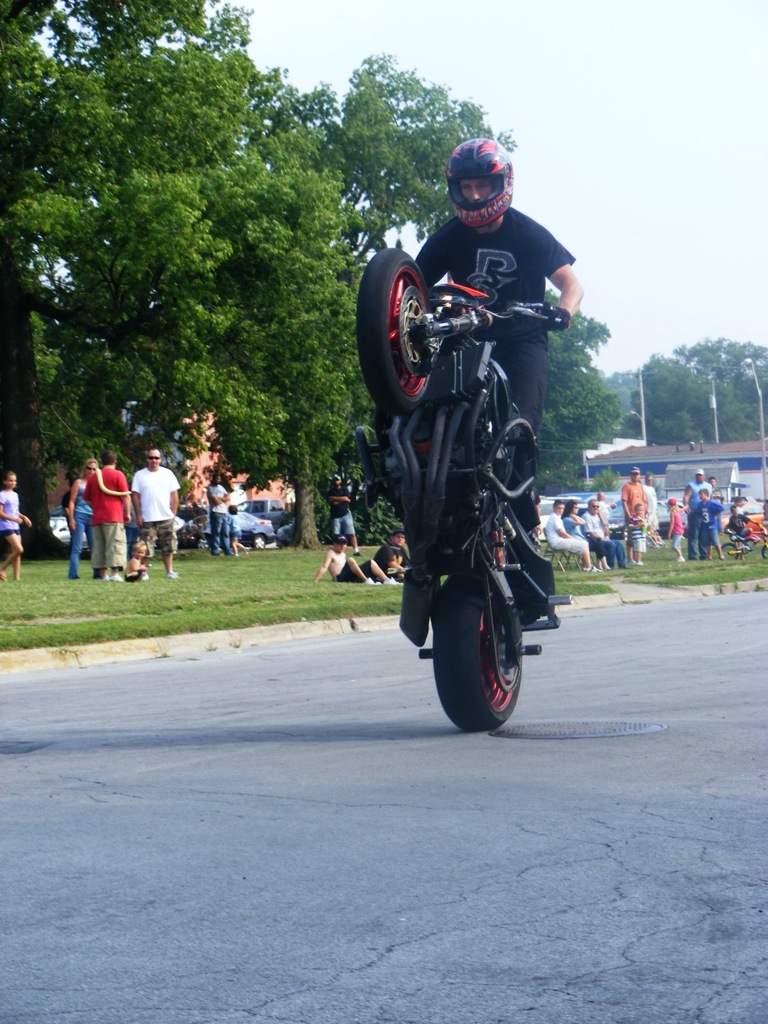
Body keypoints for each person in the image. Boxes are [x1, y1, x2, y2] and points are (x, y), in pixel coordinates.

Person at [415, 138, 584, 434]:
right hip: (465, 336)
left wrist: (563, 312)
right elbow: (412, 286)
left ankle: (519, 472)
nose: (474, 195)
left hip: (522, 339)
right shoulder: (448, 237)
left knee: (520, 428)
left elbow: (572, 285)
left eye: (482, 185)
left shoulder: (528, 233)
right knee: (422, 408)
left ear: (501, 184)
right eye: (466, 187)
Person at [131, 448, 181, 579]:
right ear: (147, 459)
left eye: (156, 458)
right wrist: (138, 514)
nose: (154, 460)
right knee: (145, 549)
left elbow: (174, 494)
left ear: (161, 459)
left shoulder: (168, 474)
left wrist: (173, 512)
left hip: (166, 517)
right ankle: (144, 572)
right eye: (151, 458)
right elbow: (135, 496)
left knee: (168, 546)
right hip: (147, 518)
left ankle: (169, 572)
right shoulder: (139, 475)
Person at [82, 449, 131, 581]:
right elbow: (126, 496)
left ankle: (103, 575)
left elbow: (86, 498)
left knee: (100, 546)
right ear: (115, 461)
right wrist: (127, 513)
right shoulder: (118, 475)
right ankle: (114, 574)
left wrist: (96, 506)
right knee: (114, 544)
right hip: (114, 516)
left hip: (97, 517)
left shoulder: (93, 477)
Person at [543, 499, 597, 572]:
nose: (561, 510)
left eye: (562, 508)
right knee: (584, 543)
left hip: (559, 541)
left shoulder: (557, 517)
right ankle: (588, 567)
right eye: (559, 508)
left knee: (583, 543)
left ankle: (587, 566)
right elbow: (561, 533)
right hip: (556, 542)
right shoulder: (554, 517)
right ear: (554, 508)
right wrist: (573, 539)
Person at [66, 459, 99, 580]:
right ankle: (73, 574)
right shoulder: (78, 483)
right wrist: (71, 519)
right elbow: (71, 501)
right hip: (79, 515)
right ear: (84, 469)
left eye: (94, 469)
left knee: (94, 547)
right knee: (77, 547)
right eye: (89, 468)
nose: (91, 471)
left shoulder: (97, 483)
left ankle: (97, 573)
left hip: (92, 516)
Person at [314, 535, 390, 583]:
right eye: (340, 544)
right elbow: (324, 567)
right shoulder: (331, 553)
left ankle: (387, 580)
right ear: (334, 544)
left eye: (344, 544)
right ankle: (366, 580)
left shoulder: (343, 554)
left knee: (371, 562)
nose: (342, 546)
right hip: (340, 578)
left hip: (348, 575)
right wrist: (316, 580)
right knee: (351, 560)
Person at [0, 470, 32, 581]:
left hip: (15, 526)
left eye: (14, 481)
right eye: (10, 480)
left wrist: (24, 517)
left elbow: (14, 511)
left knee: (16, 553)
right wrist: (14, 519)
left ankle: (16, 579)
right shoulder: (2, 495)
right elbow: (1, 513)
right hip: (6, 526)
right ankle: (2, 569)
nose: (13, 482)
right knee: (19, 549)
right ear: (4, 481)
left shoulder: (15, 495)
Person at [562, 499, 609, 571]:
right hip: (576, 542)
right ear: (570, 509)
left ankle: (600, 565)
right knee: (599, 543)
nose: (577, 509)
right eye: (575, 508)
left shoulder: (573, 518)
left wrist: (573, 515)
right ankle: (603, 565)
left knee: (598, 542)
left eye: (577, 507)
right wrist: (572, 515)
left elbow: (583, 521)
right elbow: (582, 522)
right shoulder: (567, 520)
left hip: (583, 540)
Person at [582, 498, 627, 569]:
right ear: (589, 507)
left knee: (618, 543)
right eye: (594, 506)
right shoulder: (586, 516)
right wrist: (602, 539)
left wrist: (600, 515)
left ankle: (622, 564)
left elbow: (605, 526)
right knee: (610, 544)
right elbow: (590, 532)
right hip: (593, 540)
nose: (596, 508)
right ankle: (609, 566)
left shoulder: (597, 516)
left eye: (597, 506)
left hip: (602, 538)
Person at [326, 473, 359, 554]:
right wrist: (342, 499)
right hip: (335, 516)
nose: (336, 481)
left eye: (337, 480)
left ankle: (356, 550)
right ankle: (336, 551)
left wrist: (336, 499)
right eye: (334, 480)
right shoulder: (331, 491)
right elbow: (331, 501)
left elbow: (347, 499)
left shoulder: (344, 489)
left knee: (351, 533)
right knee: (336, 535)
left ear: (340, 481)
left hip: (346, 515)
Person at [682, 468, 710, 560]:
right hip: (694, 512)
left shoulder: (708, 486)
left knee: (703, 534)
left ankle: (703, 554)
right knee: (693, 535)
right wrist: (686, 505)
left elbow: (711, 498)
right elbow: (686, 496)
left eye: (700, 475)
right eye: (697, 475)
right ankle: (692, 554)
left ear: (704, 476)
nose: (699, 477)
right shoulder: (691, 485)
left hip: (705, 512)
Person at [621, 468, 647, 559]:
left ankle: (638, 558)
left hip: (641, 516)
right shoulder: (627, 486)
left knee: (640, 537)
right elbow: (624, 501)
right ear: (631, 475)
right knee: (631, 538)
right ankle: (630, 558)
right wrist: (628, 515)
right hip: (632, 515)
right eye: (633, 474)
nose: (635, 476)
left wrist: (645, 511)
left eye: (637, 474)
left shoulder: (640, 486)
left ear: (639, 475)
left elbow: (643, 500)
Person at [207, 473, 232, 556]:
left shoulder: (221, 488)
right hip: (216, 512)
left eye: (219, 479)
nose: (218, 480)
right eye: (216, 478)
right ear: (213, 479)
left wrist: (221, 498)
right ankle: (215, 550)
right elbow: (216, 502)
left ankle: (227, 550)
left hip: (224, 512)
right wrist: (223, 499)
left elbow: (228, 497)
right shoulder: (210, 488)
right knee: (216, 532)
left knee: (225, 532)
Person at [696, 487, 725, 560]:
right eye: (699, 495)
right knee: (707, 542)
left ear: (706, 495)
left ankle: (721, 555)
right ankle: (709, 556)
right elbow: (700, 512)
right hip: (705, 525)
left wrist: (716, 515)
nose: (700, 496)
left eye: (701, 494)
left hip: (712, 525)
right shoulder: (700, 504)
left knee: (715, 541)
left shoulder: (712, 503)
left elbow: (721, 508)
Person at [667, 498, 686, 563]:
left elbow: (672, 523)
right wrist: (688, 505)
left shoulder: (672, 513)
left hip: (676, 531)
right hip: (680, 530)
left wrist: (669, 533)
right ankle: (679, 557)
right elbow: (683, 508)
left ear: (669, 505)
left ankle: (681, 557)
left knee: (674, 545)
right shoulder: (678, 510)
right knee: (678, 545)